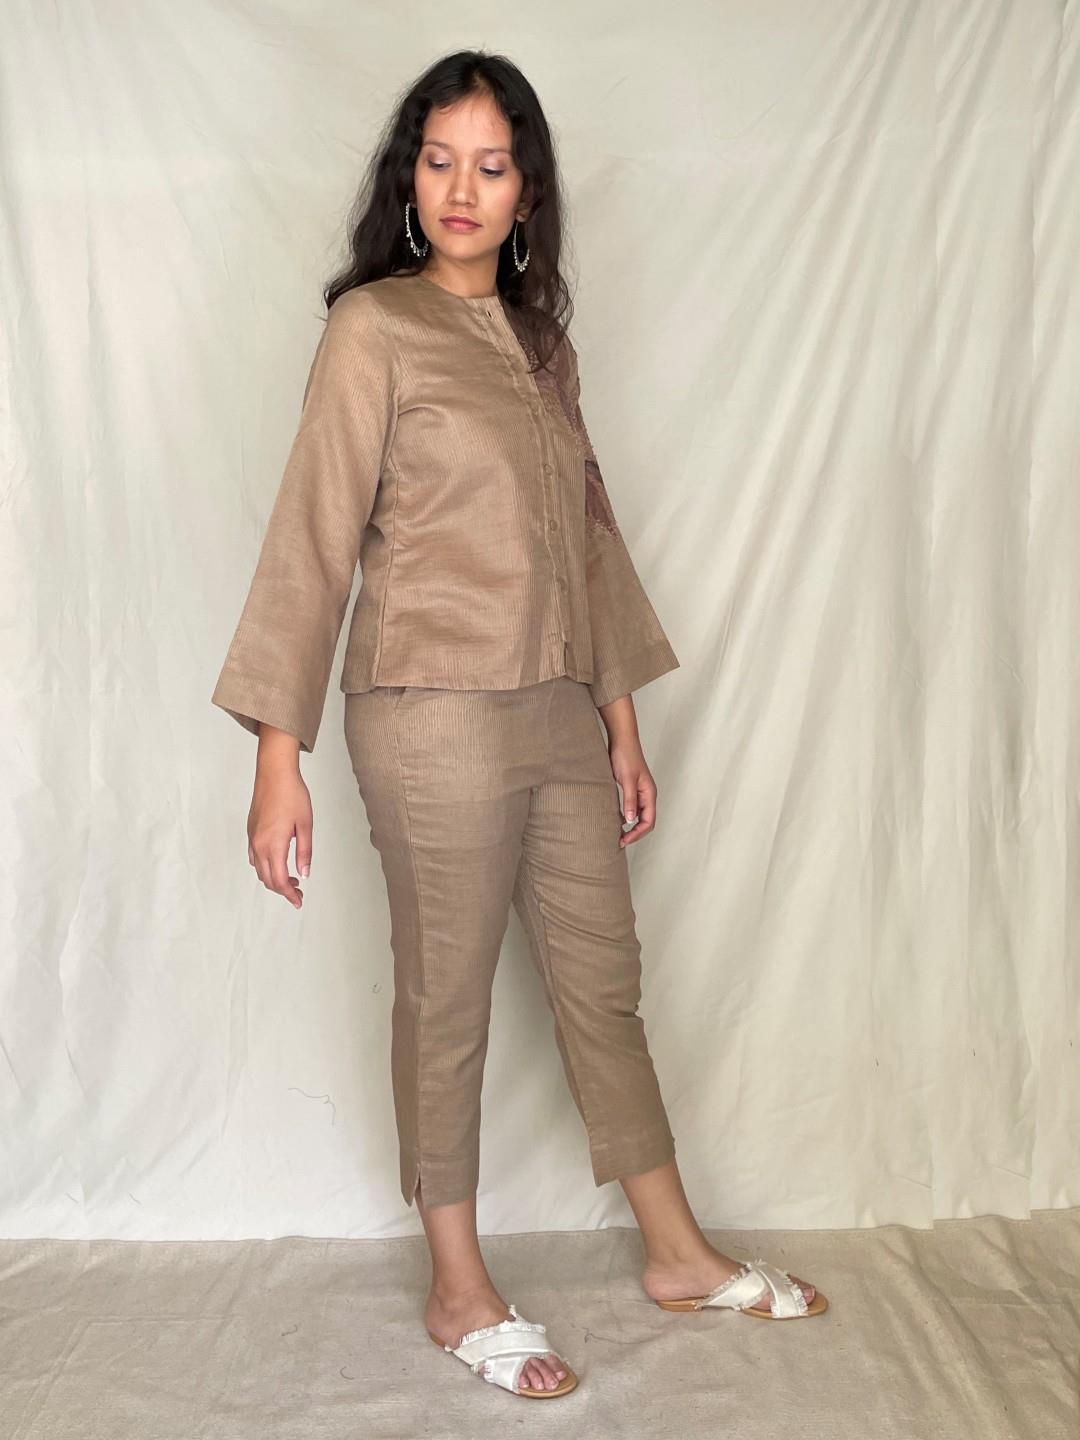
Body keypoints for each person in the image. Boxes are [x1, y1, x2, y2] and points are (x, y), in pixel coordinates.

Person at [211, 49, 826, 1403]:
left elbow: (590, 542)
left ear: (527, 191)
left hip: (558, 710)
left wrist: (620, 722)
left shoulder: (545, 349)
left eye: (491, 166)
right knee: (446, 999)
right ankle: (458, 1285)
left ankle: (675, 1253)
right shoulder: (373, 329)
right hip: (426, 711)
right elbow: (313, 535)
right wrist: (276, 755)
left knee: (604, 984)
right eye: (439, 162)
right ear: (408, 180)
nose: (462, 189)